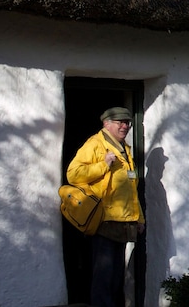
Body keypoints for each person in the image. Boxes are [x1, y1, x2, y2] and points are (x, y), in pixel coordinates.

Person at [67, 107, 146, 307]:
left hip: (123, 222)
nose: (125, 126)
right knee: (103, 276)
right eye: (120, 122)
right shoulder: (95, 144)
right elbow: (73, 174)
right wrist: (103, 165)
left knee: (115, 277)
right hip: (103, 221)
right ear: (106, 124)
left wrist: (139, 218)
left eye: (127, 122)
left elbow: (131, 188)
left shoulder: (124, 149)